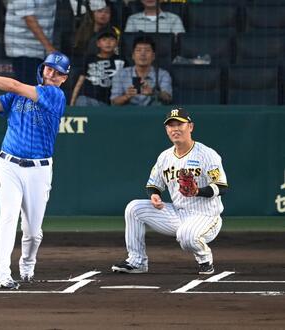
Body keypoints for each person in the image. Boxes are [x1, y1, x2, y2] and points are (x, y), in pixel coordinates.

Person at [0, 51, 70, 289]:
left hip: (39, 169)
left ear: (64, 78)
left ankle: (27, 264)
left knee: (32, 230)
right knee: (8, 217)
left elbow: (15, 86)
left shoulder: (55, 95)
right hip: (9, 163)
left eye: (58, 72)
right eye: (49, 69)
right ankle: (2, 274)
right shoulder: (19, 94)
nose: (51, 74)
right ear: (43, 69)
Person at [112, 107, 228, 275]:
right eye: (171, 125)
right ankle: (137, 261)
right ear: (167, 130)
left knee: (186, 236)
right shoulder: (165, 157)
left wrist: (198, 191)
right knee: (134, 208)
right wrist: (155, 196)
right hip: (177, 213)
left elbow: (222, 186)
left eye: (180, 124)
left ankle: (205, 259)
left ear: (190, 127)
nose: (175, 129)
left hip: (206, 216)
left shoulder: (207, 155)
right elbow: (153, 184)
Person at [4, 0, 57, 85]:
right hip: (24, 49)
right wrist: (49, 48)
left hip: (42, 51)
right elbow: (29, 18)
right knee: (30, 89)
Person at [110, 35, 172, 106]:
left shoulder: (162, 74)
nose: (143, 54)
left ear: (153, 56)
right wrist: (127, 96)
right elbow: (113, 102)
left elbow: (168, 98)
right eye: (138, 50)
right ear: (133, 55)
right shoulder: (121, 75)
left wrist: (153, 92)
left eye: (147, 50)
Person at [70, 28, 124, 106]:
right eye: (104, 40)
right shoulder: (90, 59)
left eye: (112, 39)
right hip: (87, 99)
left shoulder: (121, 60)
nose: (108, 42)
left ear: (116, 43)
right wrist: (72, 102)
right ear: (98, 43)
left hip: (109, 103)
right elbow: (80, 82)